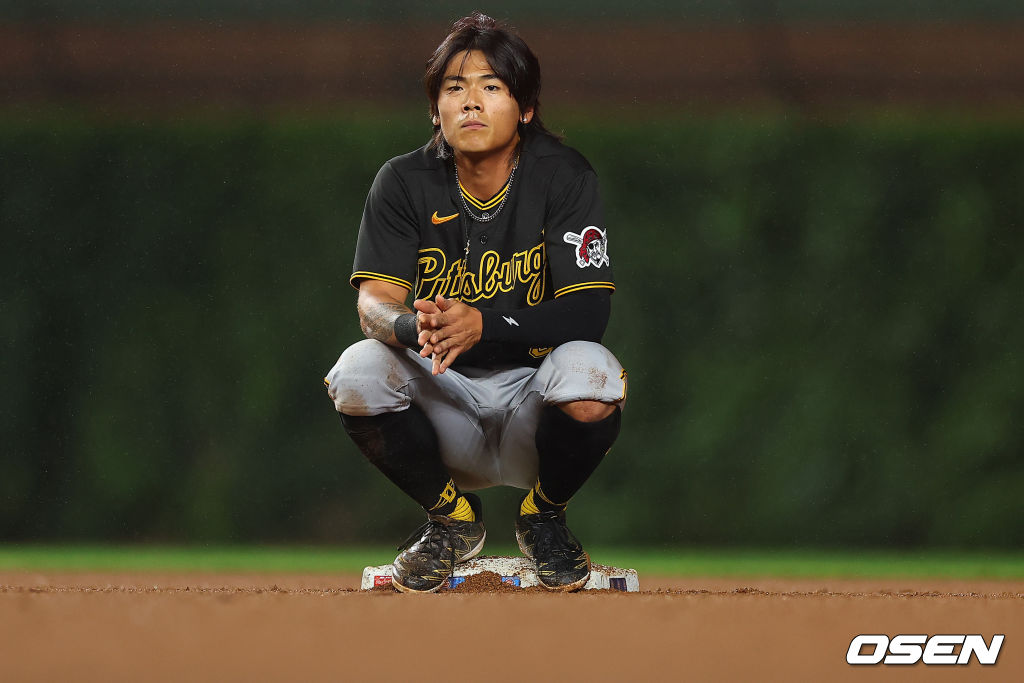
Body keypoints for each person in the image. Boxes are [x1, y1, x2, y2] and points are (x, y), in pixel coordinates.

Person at [325, 12, 626, 593]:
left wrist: (483, 324)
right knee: (357, 370)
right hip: (445, 407)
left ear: (526, 107)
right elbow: (374, 305)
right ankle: (451, 520)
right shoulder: (403, 181)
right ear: (434, 108)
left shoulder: (563, 177)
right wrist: (415, 327)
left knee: (594, 373)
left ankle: (544, 516)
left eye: (492, 86)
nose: (471, 102)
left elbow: (589, 314)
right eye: (454, 87)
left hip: (533, 403)